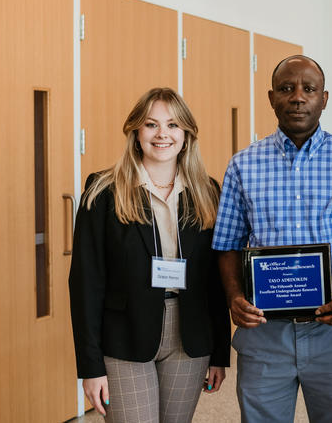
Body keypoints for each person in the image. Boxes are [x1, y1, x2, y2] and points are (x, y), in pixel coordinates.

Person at [212, 55, 332, 423]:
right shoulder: (243, 165)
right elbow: (227, 244)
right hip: (264, 333)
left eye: (308, 89)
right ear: (271, 98)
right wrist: (233, 297)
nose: (297, 97)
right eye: (286, 88)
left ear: (324, 98)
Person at [69, 87, 230, 423]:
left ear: (186, 135)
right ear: (136, 131)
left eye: (172, 125)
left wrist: (220, 353)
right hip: (124, 334)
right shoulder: (103, 191)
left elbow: (214, 280)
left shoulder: (208, 191)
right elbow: (86, 283)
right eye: (151, 125)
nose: (162, 135)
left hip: (189, 334)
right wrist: (90, 366)